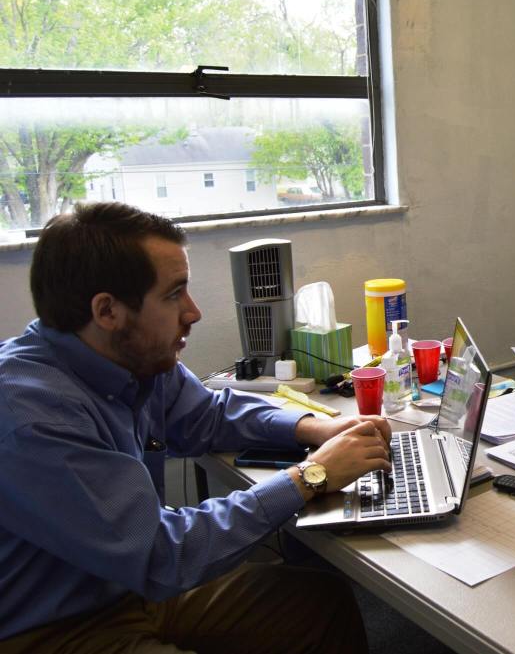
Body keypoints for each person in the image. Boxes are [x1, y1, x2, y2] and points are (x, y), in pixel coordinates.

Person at [0, 202, 391, 653]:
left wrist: (314, 427)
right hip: (53, 627)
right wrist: (310, 476)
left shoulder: (131, 353)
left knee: (317, 605)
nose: (194, 312)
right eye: (174, 294)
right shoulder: (30, 416)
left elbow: (207, 415)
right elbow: (164, 555)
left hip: (130, 589)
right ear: (107, 311)